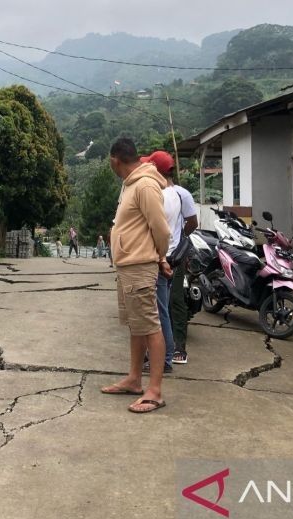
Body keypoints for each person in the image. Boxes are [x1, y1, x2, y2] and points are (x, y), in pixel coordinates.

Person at [101, 138, 171, 414]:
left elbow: (161, 230)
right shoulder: (131, 183)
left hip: (140, 265)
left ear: (114, 160)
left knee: (150, 326)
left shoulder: (144, 185)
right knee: (136, 325)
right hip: (129, 266)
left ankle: (154, 391)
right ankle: (134, 379)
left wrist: (159, 256)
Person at [146, 152, 199, 364]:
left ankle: (177, 348)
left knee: (174, 301)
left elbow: (192, 221)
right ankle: (163, 351)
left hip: (171, 255)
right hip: (162, 253)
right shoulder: (156, 192)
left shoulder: (179, 194)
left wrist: (179, 237)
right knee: (160, 306)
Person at [139, 151, 182, 375]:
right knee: (160, 310)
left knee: (158, 312)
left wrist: (159, 258)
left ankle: (165, 359)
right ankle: (163, 355)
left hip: (159, 259)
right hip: (168, 257)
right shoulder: (175, 193)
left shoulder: (161, 195)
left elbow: (158, 231)